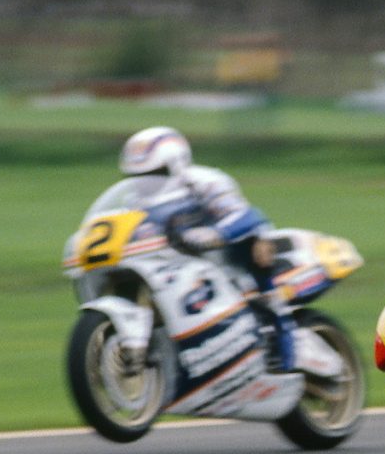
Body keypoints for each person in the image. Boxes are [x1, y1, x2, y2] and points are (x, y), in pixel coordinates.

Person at [118, 126, 298, 370]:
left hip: (228, 251)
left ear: (176, 164)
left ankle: (286, 352)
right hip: (179, 260)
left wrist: (215, 233)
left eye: (156, 173)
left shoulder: (205, 181)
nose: (145, 183)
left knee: (261, 262)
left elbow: (245, 216)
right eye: (137, 177)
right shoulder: (134, 200)